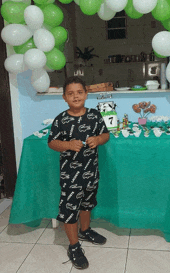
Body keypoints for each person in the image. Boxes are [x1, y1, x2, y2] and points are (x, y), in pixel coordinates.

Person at [48, 76, 110, 270]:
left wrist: (99, 140)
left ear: (86, 94)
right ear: (64, 97)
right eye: (70, 93)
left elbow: (106, 134)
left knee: (87, 203)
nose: (75, 96)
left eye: (79, 92)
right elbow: (51, 142)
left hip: (91, 172)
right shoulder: (61, 119)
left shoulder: (94, 115)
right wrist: (66, 145)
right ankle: (74, 246)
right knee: (70, 209)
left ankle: (86, 230)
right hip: (70, 176)